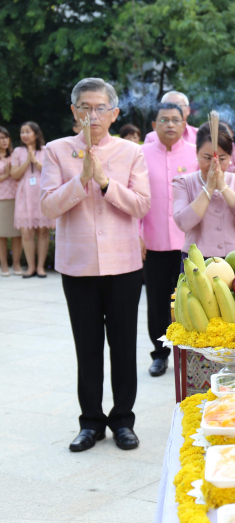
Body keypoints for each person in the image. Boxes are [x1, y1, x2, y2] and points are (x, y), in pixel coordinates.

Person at [41, 77, 151, 452]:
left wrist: (104, 183)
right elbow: (48, 206)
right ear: (74, 112)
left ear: (114, 113)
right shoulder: (56, 151)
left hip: (123, 265)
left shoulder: (131, 152)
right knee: (87, 347)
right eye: (85, 108)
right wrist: (81, 180)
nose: (92, 115)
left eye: (100, 108)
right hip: (78, 267)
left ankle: (123, 421)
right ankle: (90, 422)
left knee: (123, 347)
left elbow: (142, 205)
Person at [140, 103, 198, 377]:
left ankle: (190, 354)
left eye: (176, 120)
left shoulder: (195, 153)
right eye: (164, 120)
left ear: (184, 124)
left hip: (189, 242)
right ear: (154, 125)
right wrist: (138, 235)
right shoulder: (140, 154)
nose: (170, 124)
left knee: (190, 301)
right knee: (157, 302)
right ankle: (160, 354)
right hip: (153, 241)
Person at [172, 123, 235, 259]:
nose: (214, 165)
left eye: (222, 159)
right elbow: (183, 223)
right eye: (208, 158)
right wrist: (209, 188)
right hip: (198, 259)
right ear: (197, 153)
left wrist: (223, 187)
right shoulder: (183, 182)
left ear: (230, 157)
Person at [10, 121, 53, 278]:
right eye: (22, 132)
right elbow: (14, 175)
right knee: (26, 232)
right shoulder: (17, 151)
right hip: (24, 194)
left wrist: (35, 161)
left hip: (42, 192)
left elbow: (50, 171)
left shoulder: (46, 150)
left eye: (28, 131)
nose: (24, 135)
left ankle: (40, 267)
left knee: (43, 231)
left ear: (36, 133)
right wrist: (27, 160)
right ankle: (31, 267)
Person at [0, 127, 22, 276]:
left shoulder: (15, 155)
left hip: (17, 197)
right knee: (1, 235)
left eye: (6, 137)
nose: (4, 141)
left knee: (17, 234)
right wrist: (6, 174)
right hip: (1, 199)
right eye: (1, 138)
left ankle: (16, 264)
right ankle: (4, 265)